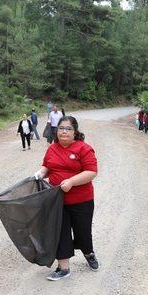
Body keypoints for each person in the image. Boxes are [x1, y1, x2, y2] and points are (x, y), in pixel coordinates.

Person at [34, 116, 99, 281]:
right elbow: (47, 166)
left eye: (68, 128)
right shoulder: (52, 149)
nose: (64, 131)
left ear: (75, 132)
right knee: (60, 233)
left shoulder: (84, 149)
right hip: (57, 201)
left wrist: (71, 181)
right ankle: (64, 268)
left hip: (81, 200)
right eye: (61, 128)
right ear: (56, 131)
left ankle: (88, 253)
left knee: (83, 232)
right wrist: (41, 173)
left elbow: (91, 172)